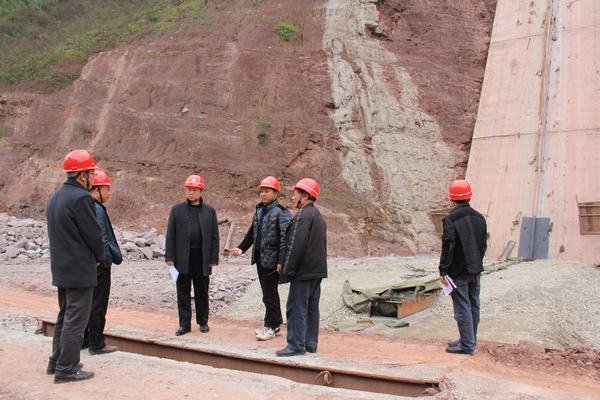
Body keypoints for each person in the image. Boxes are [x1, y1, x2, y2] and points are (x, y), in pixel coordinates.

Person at [46, 149, 105, 383]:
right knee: (76, 319)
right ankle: (67, 368)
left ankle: (56, 361)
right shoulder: (81, 199)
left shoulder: (56, 197)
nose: (94, 177)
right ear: (82, 175)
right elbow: (93, 234)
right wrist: (100, 256)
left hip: (62, 268)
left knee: (65, 315)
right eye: (91, 172)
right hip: (80, 270)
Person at [229, 176, 292, 341]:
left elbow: (286, 239)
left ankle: (271, 327)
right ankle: (273, 324)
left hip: (272, 261)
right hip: (260, 258)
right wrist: (241, 248)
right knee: (268, 294)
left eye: (267, 191)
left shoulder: (281, 212)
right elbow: (252, 233)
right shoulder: (259, 210)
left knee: (269, 295)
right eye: (261, 191)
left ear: (276, 193)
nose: (263, 194)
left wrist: (281, 261)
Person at [276, 178, 327, 357]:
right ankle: (310, 343)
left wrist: (287, 270)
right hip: (316, 272)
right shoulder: (317, 216)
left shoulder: (303, 216)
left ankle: (296, 346)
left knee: (296, 308)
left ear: (305, 196)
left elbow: (295, 246)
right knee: (312, 308)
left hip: (303, 272)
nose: (292, 197)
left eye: (295, 193)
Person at [165, 175, 219, 336]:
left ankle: (203, 322)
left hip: (202, 258)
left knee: (202, 291)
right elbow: (170, 234)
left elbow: (214, 236)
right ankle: (184, 324)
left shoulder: (210, 211)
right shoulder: (177, 210)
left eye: (194, 190)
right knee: (183, 292)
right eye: (188, 189)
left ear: (201, 191)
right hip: (182, 258)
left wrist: (213, 258)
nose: (191, 192)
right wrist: (169, 256)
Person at [439, 179, 487, 355]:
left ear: (452, 198)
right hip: (475, 268)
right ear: (469, 196)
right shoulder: (480, 218)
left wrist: (443, 270)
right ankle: (469, 339)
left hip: (458, 271)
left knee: (462, 306)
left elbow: (448, 246)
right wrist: (477, 262)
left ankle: (467, 344)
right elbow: (483, 245)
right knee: (473, 304)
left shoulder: (451, 219)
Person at [82, 169, 122, 355]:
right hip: (99, 267)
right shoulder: (96, 209)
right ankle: (96, 344)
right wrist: (106, 260)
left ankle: (85, 339)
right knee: (98, 305)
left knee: (88, 304)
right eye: (106, 188)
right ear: (97, 188)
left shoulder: (85, 206)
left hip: (88, 265)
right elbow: (101, 238)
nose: (109, 193)